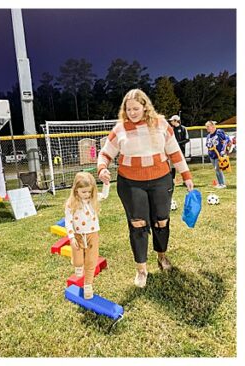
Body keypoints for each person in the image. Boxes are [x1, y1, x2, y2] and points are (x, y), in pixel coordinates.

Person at [98, 89, 192, 288]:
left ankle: (162, 256)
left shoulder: (161, 124)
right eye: (128, 109)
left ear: (144, 106)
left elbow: (175, 153)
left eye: (135, 108)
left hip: (161, 180)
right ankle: (141, 269)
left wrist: (186, 175)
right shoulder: (120, 129)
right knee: (138, 224)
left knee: (161, 221)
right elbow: (105, 154)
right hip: (131, 184)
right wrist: (102, 169)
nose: (132, 112)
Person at [64, 172, 109, 299]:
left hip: (92, 234)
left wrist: (106, 183)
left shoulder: (92, 199)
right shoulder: (71, 203)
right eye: (84, 192)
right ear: (76, 190)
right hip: (78, 235)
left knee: (91, 261)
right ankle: (77, 264)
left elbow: (104, 195)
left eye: (89, 192)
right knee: (78, 261)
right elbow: (68, 221)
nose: (87, 195)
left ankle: (88, 285)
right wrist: (71, 237)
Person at [205, 120, 230, 189]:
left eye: (208, 126)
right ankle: (219, 183)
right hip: (212, 155)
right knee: (216, 170)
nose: (206, 128)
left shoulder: (219, 132)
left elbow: (226, 140)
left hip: (218, 154)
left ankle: (223, 183)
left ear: (213, 126)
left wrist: (223, 150)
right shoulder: (208, 136)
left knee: (217, 169)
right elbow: (207, 145)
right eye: (206, 126)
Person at [169, 115, 189, 184]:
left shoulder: (183, 128)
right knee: (172, 166)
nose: (171, 122)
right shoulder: (171, 129)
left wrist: (178, 143)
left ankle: (185, 180)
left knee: (182, 166)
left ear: (176, 121)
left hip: (181, 150)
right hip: (172, 150)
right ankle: (172, 180)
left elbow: (187, 139)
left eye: (172, 120)